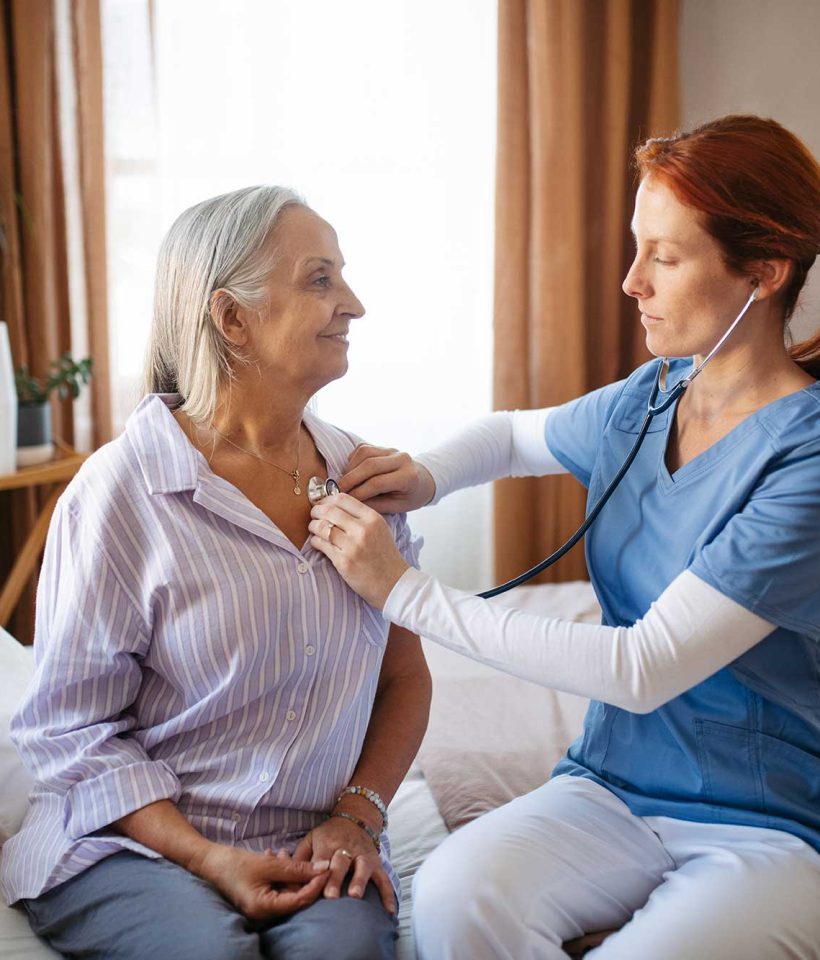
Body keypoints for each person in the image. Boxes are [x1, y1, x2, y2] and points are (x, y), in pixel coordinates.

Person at [306, 115, 820, 959]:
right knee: (451, 899)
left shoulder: (804, 459)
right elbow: (511, 436)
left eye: (666, 255)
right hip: (611, 788)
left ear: (762, 275)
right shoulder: (651, 396)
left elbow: (641, 667)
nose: (630, 282)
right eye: (636, 247)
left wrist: (400, 590)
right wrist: (425, 474)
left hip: (765, 825)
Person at [0, 186, 431, 960]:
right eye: (320, 280)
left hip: (311, 840)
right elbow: (71, 733)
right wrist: (208, 858)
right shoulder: (119, 496)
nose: (355, 304)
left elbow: (404, 677)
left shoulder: (367, 484)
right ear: (232, 318)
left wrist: (358, 816)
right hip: (129, 845)